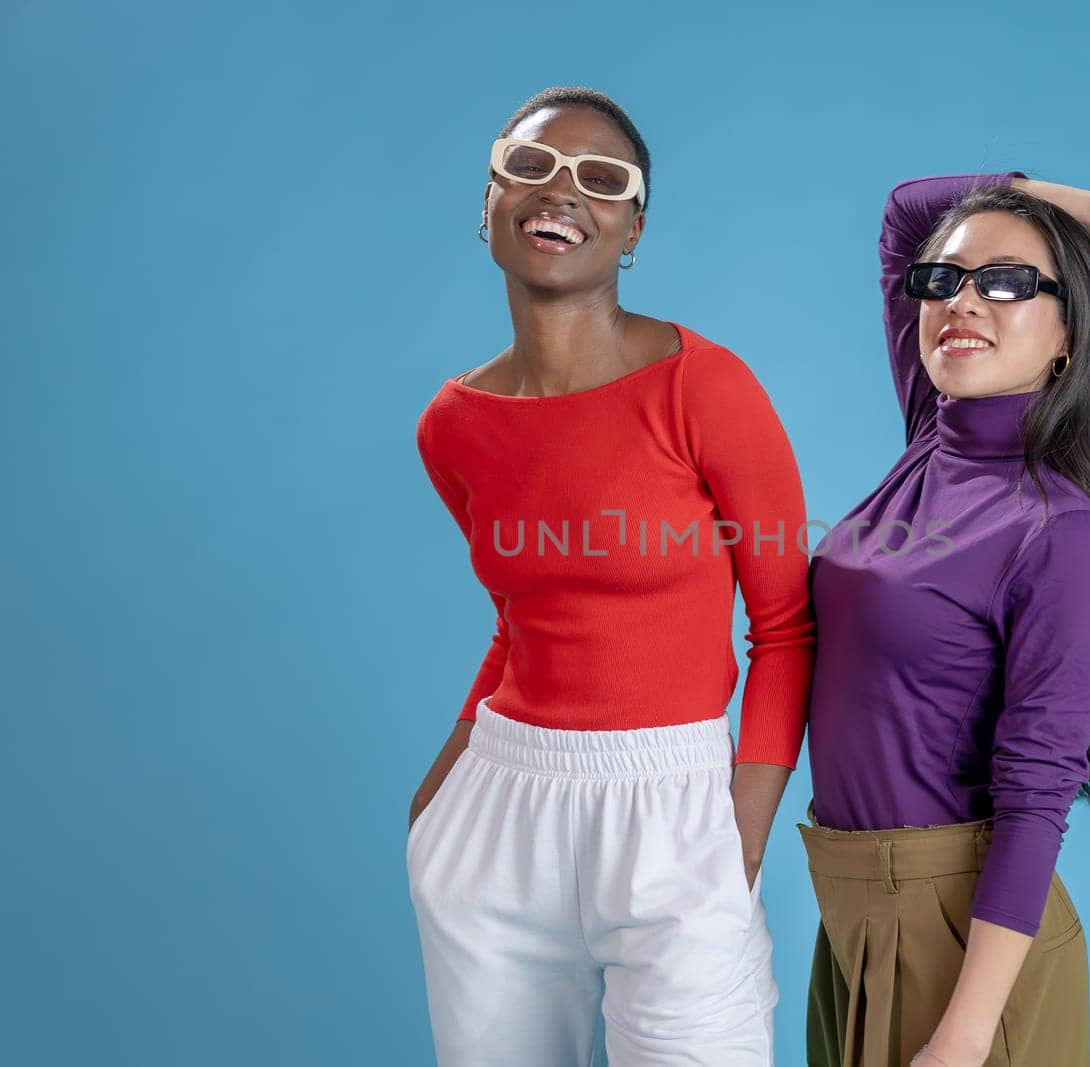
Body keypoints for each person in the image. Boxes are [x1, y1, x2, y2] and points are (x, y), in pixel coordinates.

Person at [404, 86, 812, 1066]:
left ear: (632, 228)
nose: (561, 192)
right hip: (499, 808)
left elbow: (789, 626)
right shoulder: (450, 425)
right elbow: (518, 616)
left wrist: (737, 837)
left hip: (673, 805)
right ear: (490, 201)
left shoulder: (703, 385)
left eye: (600, 179)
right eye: (532, 165)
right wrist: (441, 793)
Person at [798, 176, 1090, 1066]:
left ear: (1069, 334)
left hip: (963, 949)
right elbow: (910, 213)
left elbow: (1035, 801)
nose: (964, 299)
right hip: (849, 917)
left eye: (1009, 283)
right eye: (947, 281)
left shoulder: (1059, 530)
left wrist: (962, 1037)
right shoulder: (934, 437)